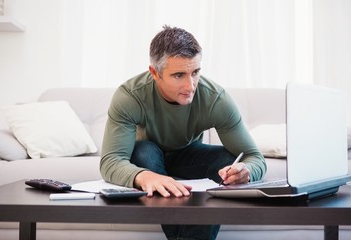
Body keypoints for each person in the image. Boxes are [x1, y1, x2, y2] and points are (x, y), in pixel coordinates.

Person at [100, 25, 266, 240]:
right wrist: (144, 176)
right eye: (179, 75)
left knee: (228, 160)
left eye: (195, 72)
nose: (191, 85)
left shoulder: (215, 98)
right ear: (155, 73)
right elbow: (111, 161)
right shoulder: (130, 96)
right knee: (145, 152)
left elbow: (255, 157)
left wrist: (247, 170)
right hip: (147, 157)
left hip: (188, 155)